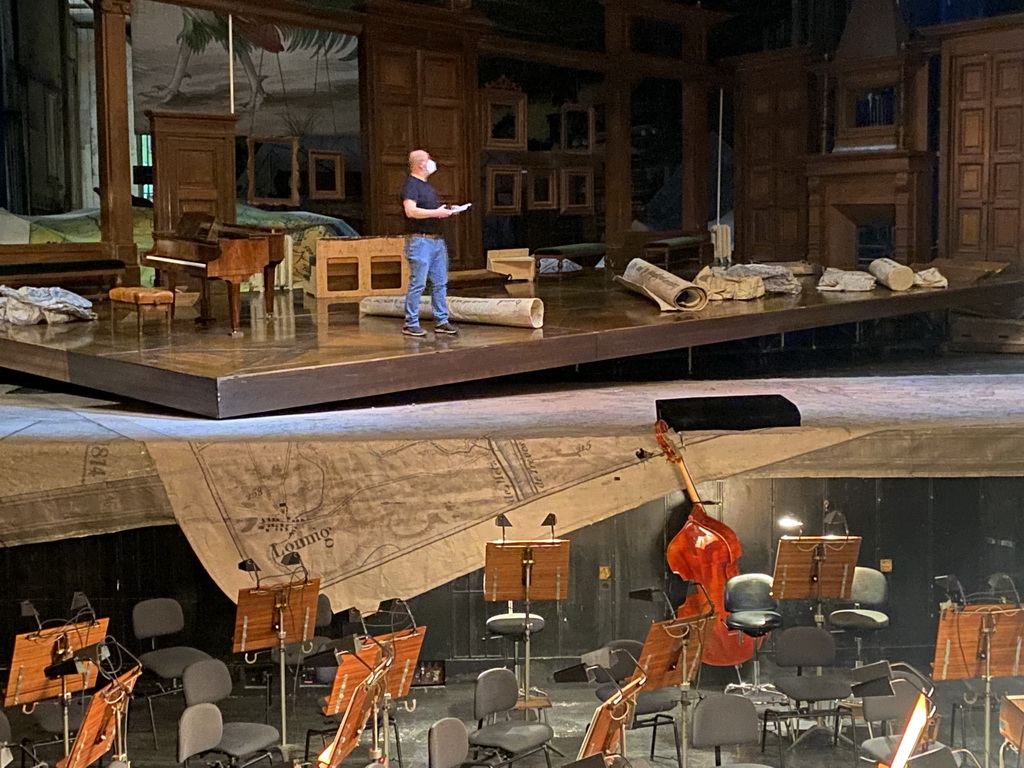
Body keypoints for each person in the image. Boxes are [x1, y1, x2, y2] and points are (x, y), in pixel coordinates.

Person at [400, 149, 463, 337]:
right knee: (418, 283)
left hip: (436, 241)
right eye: (429, 160)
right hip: (420, 240)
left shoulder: (428, 186)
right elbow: (410, 211)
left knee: (440, 283)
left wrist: (447, 211)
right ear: (420, 164)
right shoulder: (411, 185)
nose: (432, 163)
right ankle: (410, 322)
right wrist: (437, 213)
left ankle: (441, 321)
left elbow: (430, 210)